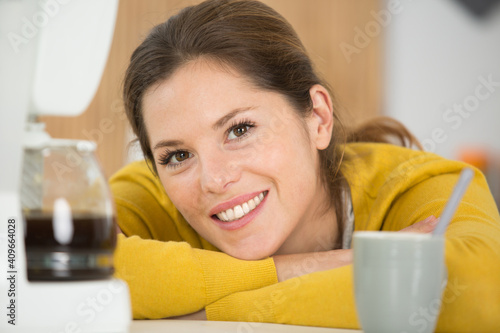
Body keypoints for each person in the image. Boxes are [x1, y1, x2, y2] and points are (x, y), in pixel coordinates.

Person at [110, 0, 500, 330]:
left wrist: (196, 313)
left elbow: (474, 289)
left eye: (239, 129)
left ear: (318, 118)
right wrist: (316, 266)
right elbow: (67, 263)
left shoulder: (423, 185)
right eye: (177, 156)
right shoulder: (153, 192)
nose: (213, 180)